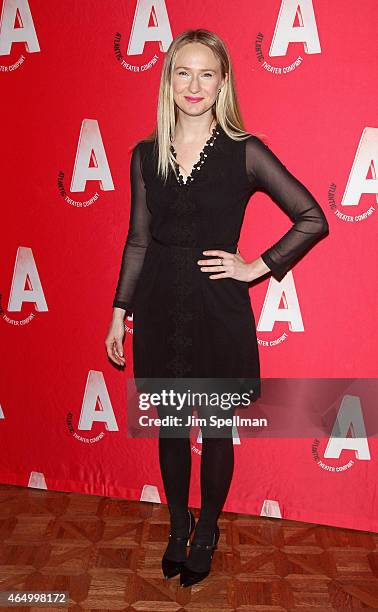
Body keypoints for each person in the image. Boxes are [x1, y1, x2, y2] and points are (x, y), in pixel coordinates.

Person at [105, 29, 329, 588]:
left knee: (217, 429)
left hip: (217, 308)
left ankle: (207, 530)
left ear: (223, 82)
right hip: (158, 306)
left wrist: (257, 265)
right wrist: (119, 311)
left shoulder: (243, 151)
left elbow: (312, 218)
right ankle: (177, 528)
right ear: (169, 80)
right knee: (174, 426)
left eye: (208, 73)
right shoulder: (144, 153)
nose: (195, 85)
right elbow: (138, 239)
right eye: (184, 72)